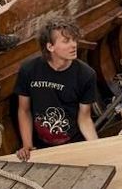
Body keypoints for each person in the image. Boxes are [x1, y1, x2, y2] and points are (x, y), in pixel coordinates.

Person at [15, 15, 99, 159]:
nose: (74, 45)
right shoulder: (29, 69)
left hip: (73, 144)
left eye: (74, 40)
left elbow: (84, 118)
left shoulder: (86, 75)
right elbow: (24, 110)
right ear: (50, 46)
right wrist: (27, 145)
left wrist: (97, 147)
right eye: (66, 41)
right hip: (41, 146)